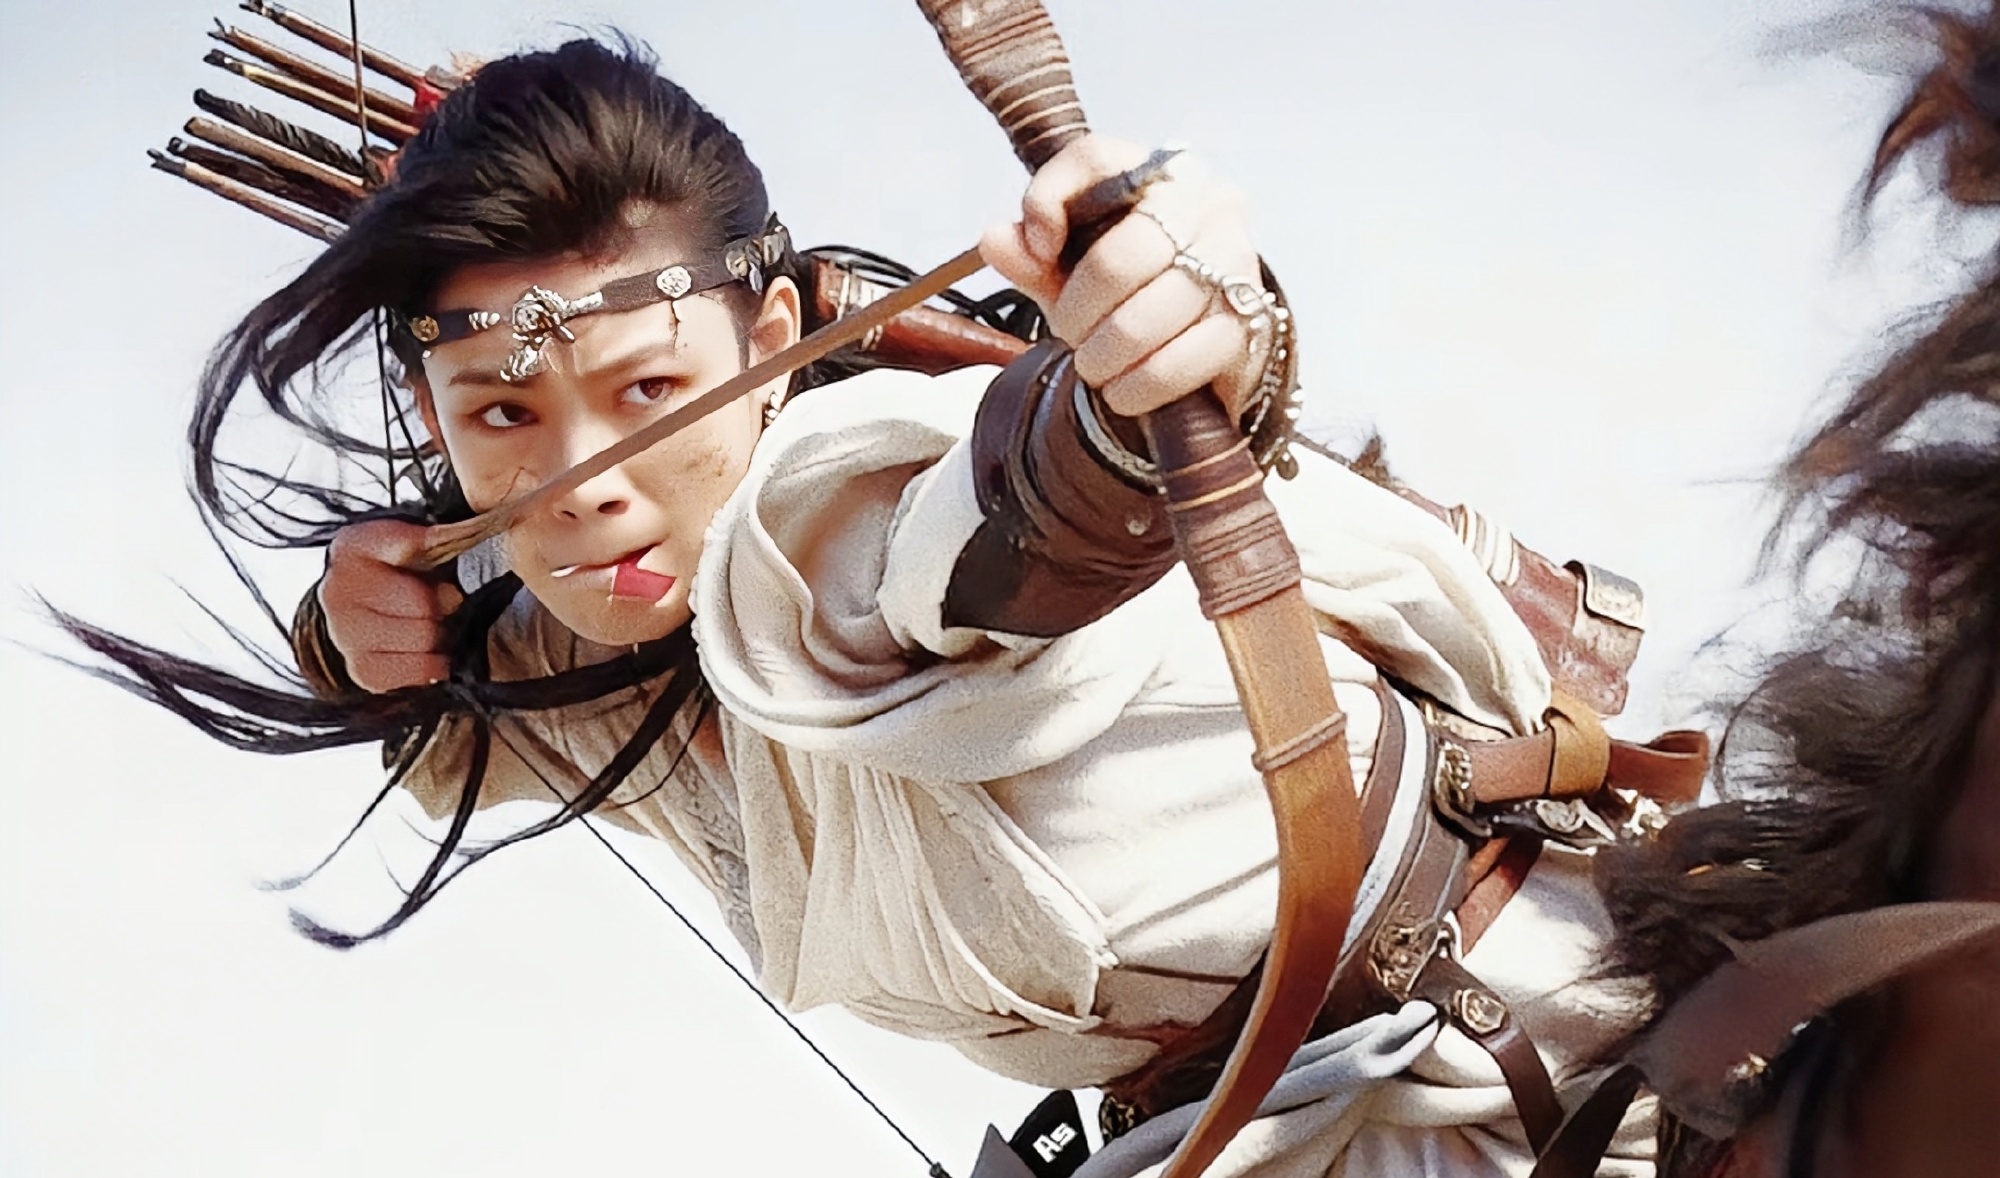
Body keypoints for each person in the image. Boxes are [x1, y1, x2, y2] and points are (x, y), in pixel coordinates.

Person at [73, 34, 1696, 1178]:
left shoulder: (842, 506)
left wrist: (1161, 342)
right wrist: (355, 638)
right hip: (1252, 1133)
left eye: (648, 389)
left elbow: (1031, 512)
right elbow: (441, 733)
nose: (580, 483)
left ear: (774, 336)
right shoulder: (582, 659)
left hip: (1556, 1057)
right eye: (503, 413)